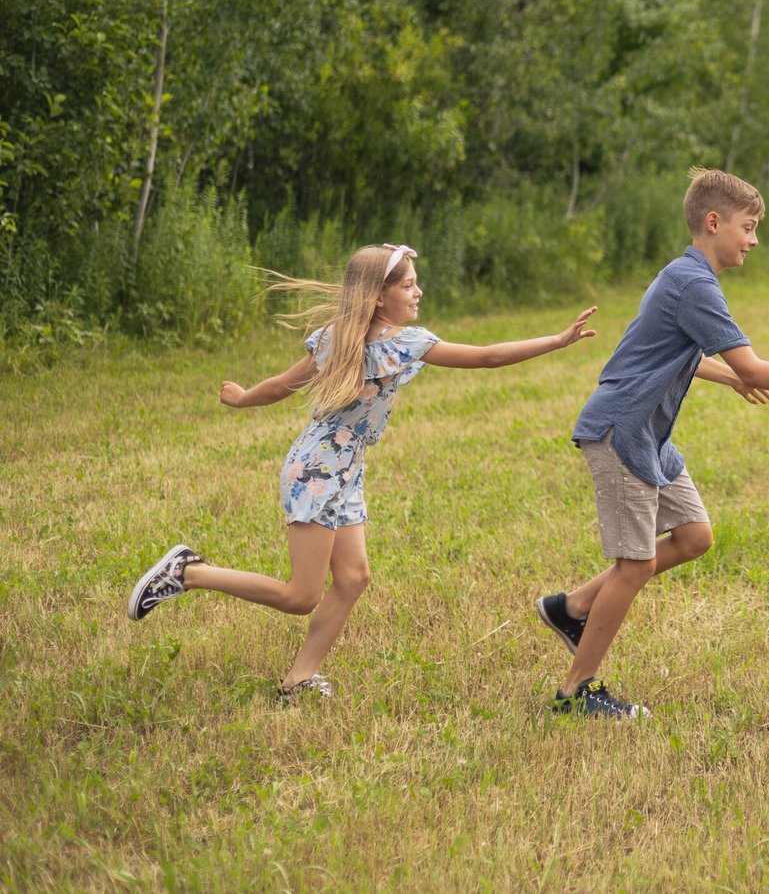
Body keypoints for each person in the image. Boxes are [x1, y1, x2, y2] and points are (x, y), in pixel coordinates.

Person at [125, 242, 599, 701]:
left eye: (416, 284)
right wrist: (556, 341)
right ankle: (189, 572)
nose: (418, 293)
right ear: (378, 297)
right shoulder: (378, 341)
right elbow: (488, 355)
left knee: (352, 578)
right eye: (409, 285)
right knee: (300, 595)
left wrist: (248, 395)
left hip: (344, 467)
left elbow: (281, 386)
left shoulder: (357, 338)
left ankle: (299, 679)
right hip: (317, 469)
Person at [533, 168, 769, 719]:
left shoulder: (685, 276)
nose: (754, 240)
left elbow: (666, 352)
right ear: (714, 222)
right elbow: (750, 362)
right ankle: (576, 692)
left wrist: (730, 378)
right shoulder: (694, 283)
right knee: (632, 567)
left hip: (650, 436)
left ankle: (573, 607)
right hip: (622, 430)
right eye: (748, 227)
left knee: (695, 535)